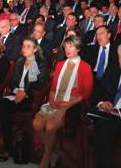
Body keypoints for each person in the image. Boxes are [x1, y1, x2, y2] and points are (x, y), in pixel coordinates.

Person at [0, 37, 48, 162]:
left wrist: (25, 92)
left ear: (35, 49)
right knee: (3, 108)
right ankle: (7, 147)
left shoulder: (39, 62)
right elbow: (13, 82)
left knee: (2, 107)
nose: (24, 48)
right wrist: (17, 91)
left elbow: (39, 83)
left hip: (30, 98)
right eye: (23, 46)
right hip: (15, 94)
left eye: (28, 46)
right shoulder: (20, 61)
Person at [33, 36, 93, 168]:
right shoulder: (60, 65)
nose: (67, 49)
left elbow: (87, 92)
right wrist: (51, 99)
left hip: (72, 104)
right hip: (55, 100)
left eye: (71, 46)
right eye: (66, 46)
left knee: (50, 126)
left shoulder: (85, 67)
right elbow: (53, 87)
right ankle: (53, 153)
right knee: (36, 124)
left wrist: (69, 104)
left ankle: (46, 157)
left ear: (77, 48)